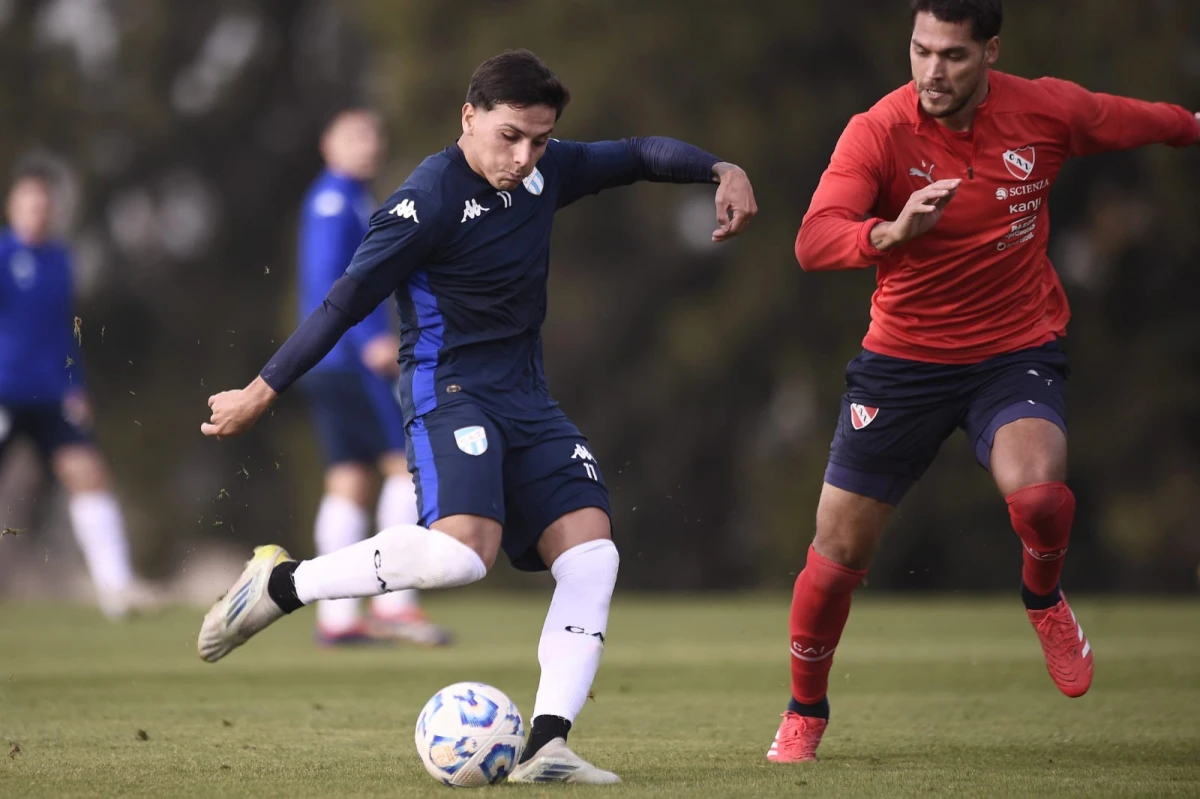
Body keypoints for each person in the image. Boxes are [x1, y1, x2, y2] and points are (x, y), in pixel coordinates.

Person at [196, 49, 757, 783]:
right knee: (462, 555)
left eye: (541, 140)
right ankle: (280, 586)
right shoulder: (425, 198)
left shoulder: (545, 171)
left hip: (528, 394)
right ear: (469, 117)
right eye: (510, 137)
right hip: (447, 389)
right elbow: (342, 302)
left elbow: (639, 154)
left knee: (593, 554)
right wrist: (259, 391)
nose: (525, 157)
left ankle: (548, 745)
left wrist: (723, 169)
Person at [768, 0, 1200, 764]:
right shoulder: (880, 129)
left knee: (1037, 492)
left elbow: (1138, 118)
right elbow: (813, 237)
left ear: (991, 52)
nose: (932, 70)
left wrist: (1192, 124)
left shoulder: (1045, 111)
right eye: (921, 50)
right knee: (835, 558)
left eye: (954, 56)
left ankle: (1044, 598)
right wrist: (891, 232)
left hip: (1013, 349)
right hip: (901, 361)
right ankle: (805, 710)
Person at [296, 108, 452, 647]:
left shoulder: (352, 196)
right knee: (406, 468)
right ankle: (393, 603)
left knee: (349, 480)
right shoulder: (335, 199)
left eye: (374, 136)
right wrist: (369, 341)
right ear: (327, 144)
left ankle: (337, 619)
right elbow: (330, 281)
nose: (369, 145)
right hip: (349, 359)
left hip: (331, 363)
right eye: (355, 136)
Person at [0, 168, 155, 619]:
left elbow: (61, 334)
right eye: (29, 204)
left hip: (50, 394)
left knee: (89, 474)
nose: (37, 213)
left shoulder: (60, 260)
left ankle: (116, 590)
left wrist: (75, 386)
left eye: (44, 205)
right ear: (12, 208)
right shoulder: (4, 255)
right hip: (5, 391)